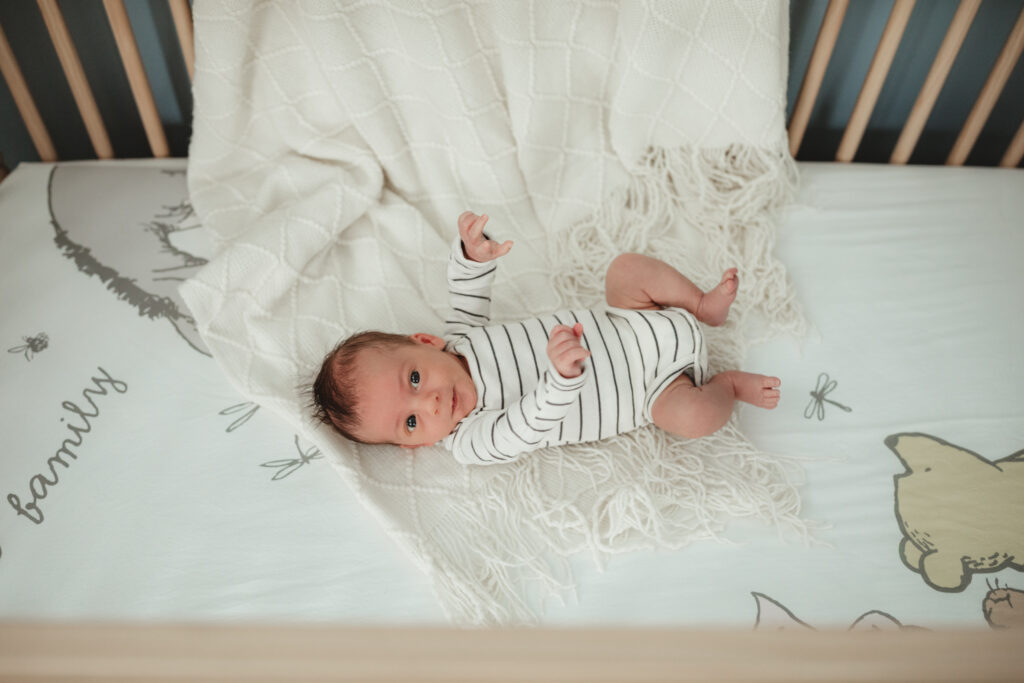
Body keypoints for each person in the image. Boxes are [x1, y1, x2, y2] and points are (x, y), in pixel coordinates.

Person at [311, 211, 781, 465]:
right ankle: (730, 386)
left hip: (633, 319)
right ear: (414, 446)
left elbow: (468, 294)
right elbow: (526, 425)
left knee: (625, 269)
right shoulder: (473, 440)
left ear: (426, 342)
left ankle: (702, 307)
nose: (430, 404)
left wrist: (473, 258)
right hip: (656, 389)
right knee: (695, 416)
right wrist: (559, 379)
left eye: (414, 379)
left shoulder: (461, 340)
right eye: (410, 423)